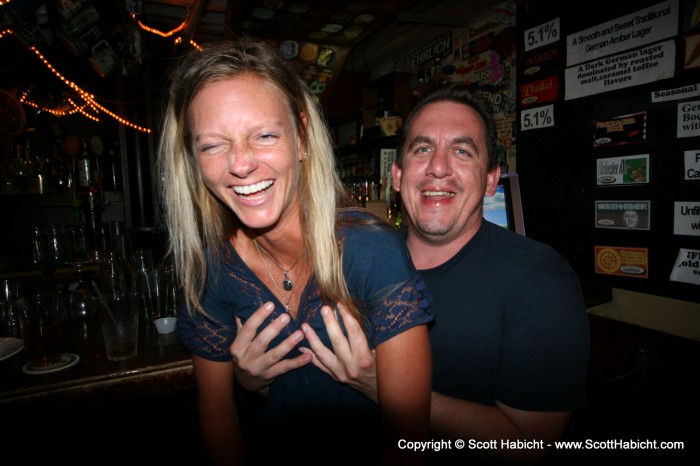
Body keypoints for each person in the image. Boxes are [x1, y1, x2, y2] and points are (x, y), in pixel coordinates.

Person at [233, 83, 591, 465]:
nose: (438, 167)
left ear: (491, 179)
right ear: (398, 175)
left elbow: (533, 446)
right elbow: (309, 388)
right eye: (422, 149)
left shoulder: (540, 280)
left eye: (462, 150)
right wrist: (253, 381)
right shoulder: (348, 262)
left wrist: (388, 391)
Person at [156, 39, 434, 466]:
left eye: (265, 135)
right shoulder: (210, 268)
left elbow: (408, 438)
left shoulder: (369, 249)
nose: (241, 163)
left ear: (302, 138)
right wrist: (244, 381)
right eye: (212, 145)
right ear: (192, 160)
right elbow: (216, 411)